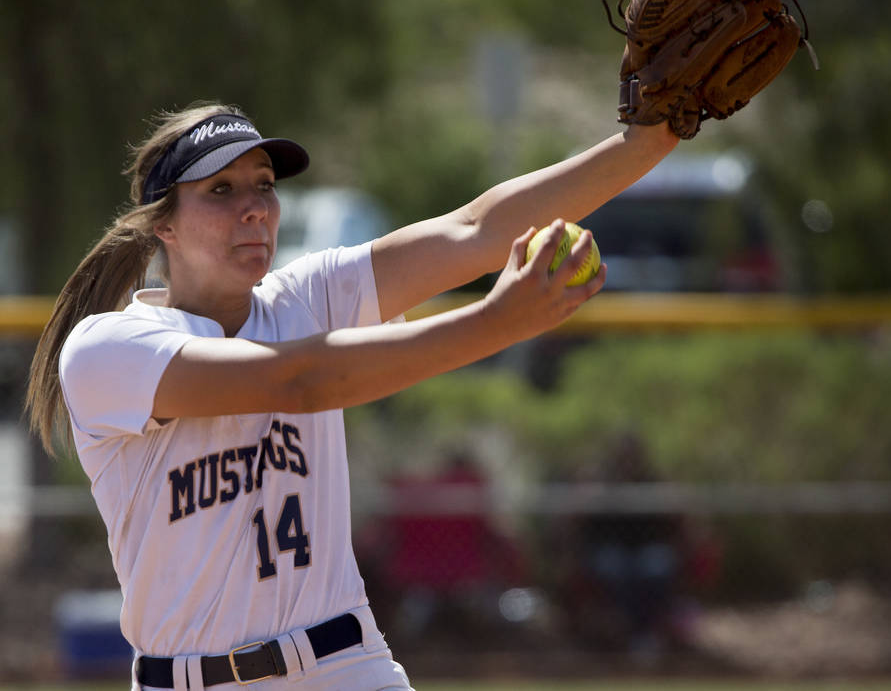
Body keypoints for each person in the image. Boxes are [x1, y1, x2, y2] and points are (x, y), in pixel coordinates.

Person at [24, 98, 677, 690]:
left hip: (341, 666)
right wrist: (495, 323)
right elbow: (297, 382)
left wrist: (649, 140)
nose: (253, 207)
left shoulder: (308, 296)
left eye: (263, 186)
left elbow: (476, 229)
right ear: (162, 225)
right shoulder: (108, 349)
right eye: (220, 189)